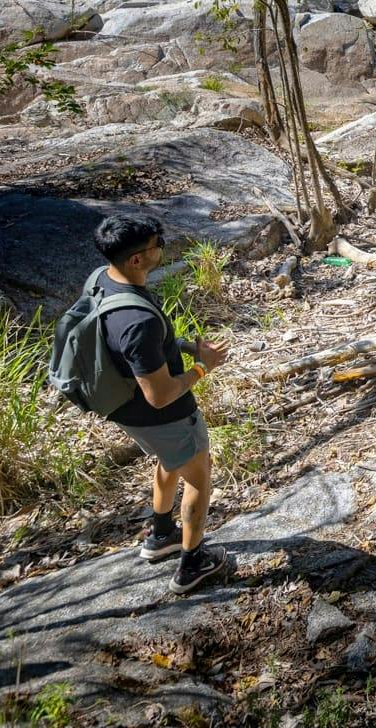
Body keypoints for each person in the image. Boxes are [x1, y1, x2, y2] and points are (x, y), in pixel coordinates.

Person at [91, 213, 231, 594]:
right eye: (157, 245)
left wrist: (185, 347)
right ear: (136, 259)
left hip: (126, 409)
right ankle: (192, 565)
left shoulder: (105, 280)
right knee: (199, 478)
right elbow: (162, 394)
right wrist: (203, 367)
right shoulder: (138, 320)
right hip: (163, 414)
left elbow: (135, 351)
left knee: (170, 460)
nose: (162, 249)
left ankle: (161, 534)